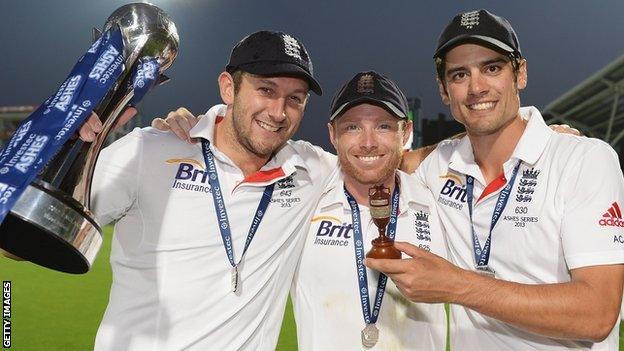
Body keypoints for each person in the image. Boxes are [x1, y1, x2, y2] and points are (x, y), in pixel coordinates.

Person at [366, 9, 624, 350]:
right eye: (459, 75)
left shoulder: (583, 160)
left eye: (492, 68)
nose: (477, 87)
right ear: (444, 90)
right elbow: (377, 161)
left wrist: (457, 285)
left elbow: (597, 314)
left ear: (520, 74)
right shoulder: (438, 165)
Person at [90, 30, 338, 350]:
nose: (278, 112)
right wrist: (68, 148)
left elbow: (383, 164)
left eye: (295, 98)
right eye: (266, 89)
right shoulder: (147, 152)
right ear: (228, 87)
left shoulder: (310, 170)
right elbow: (20, 236)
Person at [291, 71, 447, 350]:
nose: (368, 142)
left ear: (406, 133)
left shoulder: (437, 201)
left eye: (384, 126)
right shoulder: (303, 198)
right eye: (352, 127)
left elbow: (473, 150)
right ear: (332, 134)